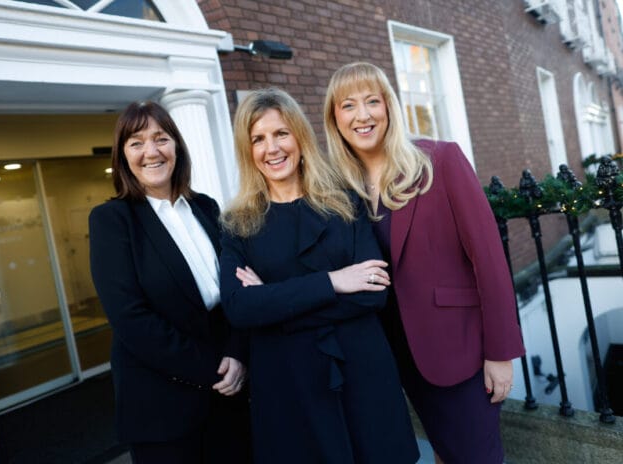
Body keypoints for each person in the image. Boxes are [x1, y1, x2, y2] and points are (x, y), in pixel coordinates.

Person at [323, 62, 526, 464]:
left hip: (458, 351)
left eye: (371, 101)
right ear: (335, 119)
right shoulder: (339, 190)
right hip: (393, 358)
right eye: (348, 105)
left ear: (389, 106)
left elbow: (488, 260)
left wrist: (501, 353)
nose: (362, 115)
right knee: (443, 453)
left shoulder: (440, 160)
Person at [219, 88, 419, 464]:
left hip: (362, 372)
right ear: (247, 150)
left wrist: (274, 305)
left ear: (299, 135)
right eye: (258, 139)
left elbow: (373, 292)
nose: (272, 148)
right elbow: (240, 308)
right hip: (289, 385)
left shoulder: (345, 201)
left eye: (281, 133)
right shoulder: (237, 224)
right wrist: (333, 282)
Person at [88, 101, 250, 464]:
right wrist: (214, 367)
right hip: (163, 408)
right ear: (122, 156)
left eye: (160, 138)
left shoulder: (206, 207)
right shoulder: (112, 220)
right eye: (136, 142)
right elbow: (130, 318)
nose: (151, 152)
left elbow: (237, 288)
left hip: (229, 396)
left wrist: (238, 354)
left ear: (176, 146)